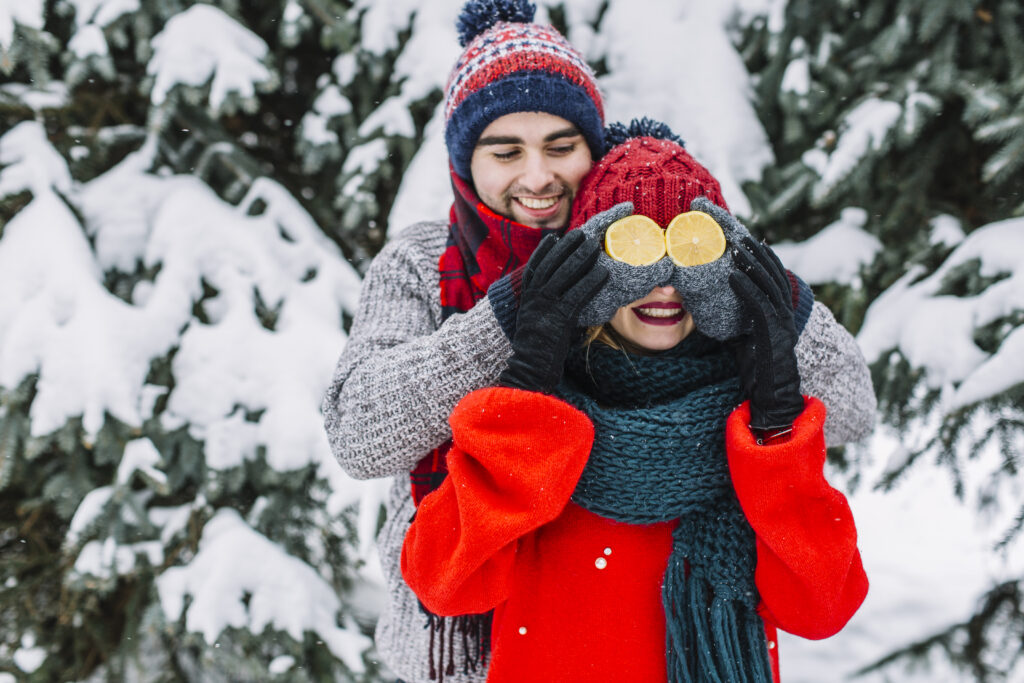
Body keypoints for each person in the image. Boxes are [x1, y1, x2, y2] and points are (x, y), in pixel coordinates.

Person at [322, 2, 875, 681]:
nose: (536, 177)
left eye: (561, 146)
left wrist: (781, 319)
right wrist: (513, 328)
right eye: (505, 150)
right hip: (455, 644)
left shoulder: (671, 289)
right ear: (465, 160)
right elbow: (359, 434)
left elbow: (850, 419)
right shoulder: (423, 262)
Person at [400, 126, 869, 683]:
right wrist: (527, 389)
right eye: (636, 251)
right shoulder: (545, 418)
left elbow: (823, 607)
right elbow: (445, 584)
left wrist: (775, 420)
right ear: (587, 270)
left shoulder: (752, 427)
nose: (665, 285)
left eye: (689, 255)